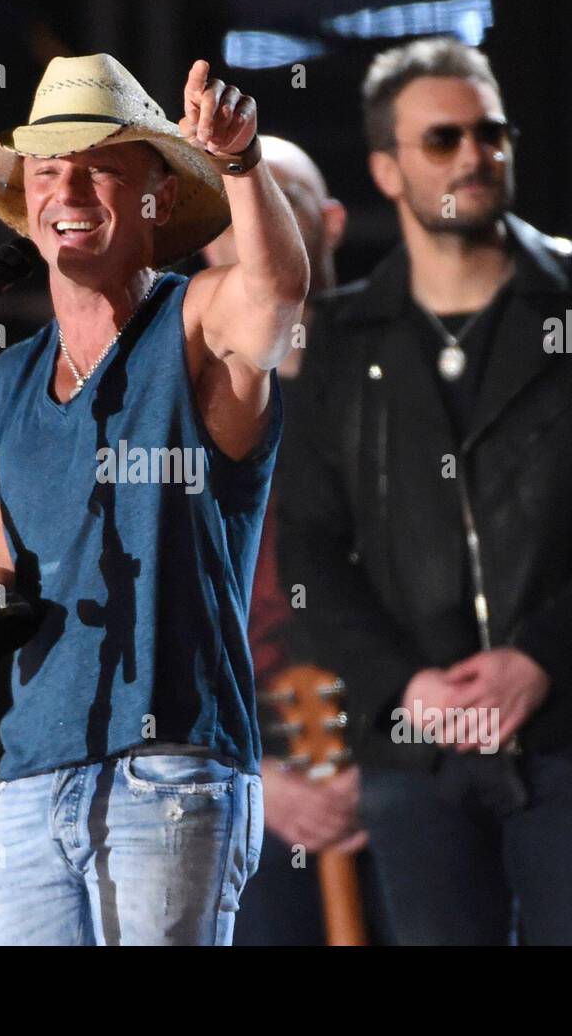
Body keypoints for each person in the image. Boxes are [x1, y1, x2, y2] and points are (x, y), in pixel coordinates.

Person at [278, 37, 572, 945]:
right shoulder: (348, 338)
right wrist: (403, 684)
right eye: (444, 140)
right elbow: (309, 543)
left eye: (491, 132)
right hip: (412, 749)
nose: (476, 155)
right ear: (387, 169)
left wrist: (540, 657)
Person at [0, 52, 308, 945]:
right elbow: (14, 572)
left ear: (157, 199)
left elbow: (278, 294)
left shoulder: (196, 320)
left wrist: (240, 162)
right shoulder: (5, 384)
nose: (69, 188)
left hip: (171, 771)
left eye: (100, 167)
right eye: (48, 171)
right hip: (30, 776)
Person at [200, 136, 378, 945]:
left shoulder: (397, 379)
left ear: (331, 222)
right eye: (238, 197)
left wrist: (394, 750)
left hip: (406, 750)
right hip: (242, 768)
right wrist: (258, 775)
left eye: (282, 193)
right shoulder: (183, 404)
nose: (258, 219)